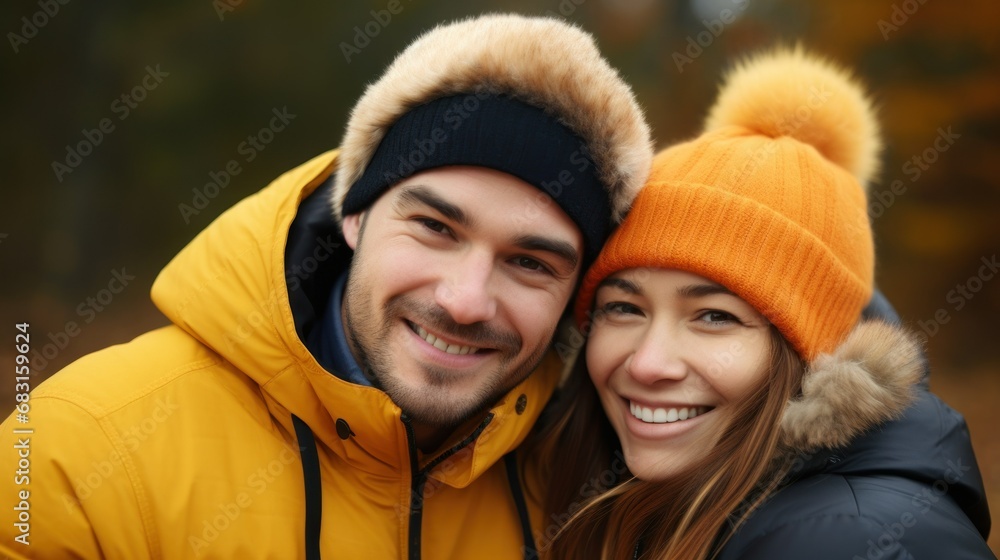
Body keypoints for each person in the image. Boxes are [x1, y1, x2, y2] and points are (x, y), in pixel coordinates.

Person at [0, 14, 654, 559]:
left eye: (531, 263)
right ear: (354, 212)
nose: (463, 300)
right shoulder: (81, 451)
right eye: (434, 227)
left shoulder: (589, 494)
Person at [532, 48, 994, 559]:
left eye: (715, 316)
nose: (648, 363)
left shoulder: (856, 542)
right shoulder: (642, 504)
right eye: (625, 307)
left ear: (814, 357)